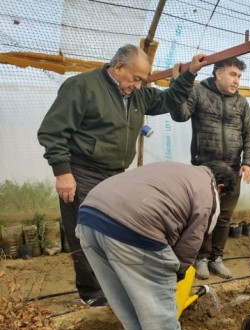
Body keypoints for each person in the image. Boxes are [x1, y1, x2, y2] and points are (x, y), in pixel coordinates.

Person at [37, 44, 208, 307]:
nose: (139, 85)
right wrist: (63, 173)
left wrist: (189, 75)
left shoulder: (138, 95)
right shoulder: (82, 87)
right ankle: (91, 293)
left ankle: (113, 286)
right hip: (82, 171)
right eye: (136, 78)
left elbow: (169, 99)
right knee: (84, 234)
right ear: (118, 67)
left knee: (113, 233)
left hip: (116, 176)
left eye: (144, 80)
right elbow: (52, 131)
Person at [75, 160, 235, 330]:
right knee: (156, 295)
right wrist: (175, 274)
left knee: (121, 293)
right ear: (220, 188)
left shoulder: (178, 169)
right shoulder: (207, 192)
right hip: (133, 225)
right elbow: (190, 244)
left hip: (89, 217)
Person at [170, 57, 250, 280]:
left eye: (239, 76)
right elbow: (179, 115)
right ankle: (201, 258)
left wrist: (248, 162)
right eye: (232, 74)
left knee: (225, 217)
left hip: (232, 169)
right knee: (204, 215)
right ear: (218, 74)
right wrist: (178, 82)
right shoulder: (199, 92)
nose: (237, 80)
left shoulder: (241, 103)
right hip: (204, 169)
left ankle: (217, 258)